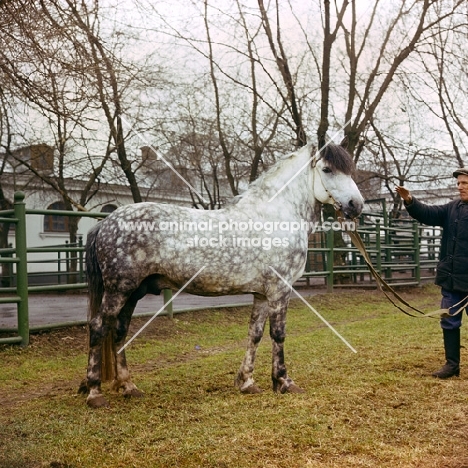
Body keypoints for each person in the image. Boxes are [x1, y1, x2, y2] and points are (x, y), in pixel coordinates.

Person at [395, 168, 468, 378]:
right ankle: (452, 366)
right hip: (452, 280)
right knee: (449, 321)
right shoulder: (452, 208)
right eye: (459, 183)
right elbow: (428, 214)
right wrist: (409, 200)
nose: (460, 187)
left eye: (465, 183)